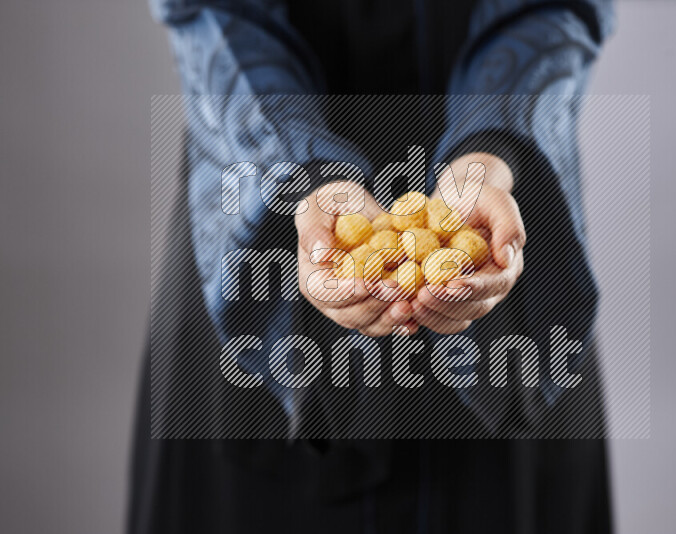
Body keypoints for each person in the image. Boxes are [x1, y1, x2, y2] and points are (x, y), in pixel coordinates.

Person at [130, 0, 615, 532]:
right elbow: (215, 15)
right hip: (265, 233)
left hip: (502, 237)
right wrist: (300, 170)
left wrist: (490, 149)